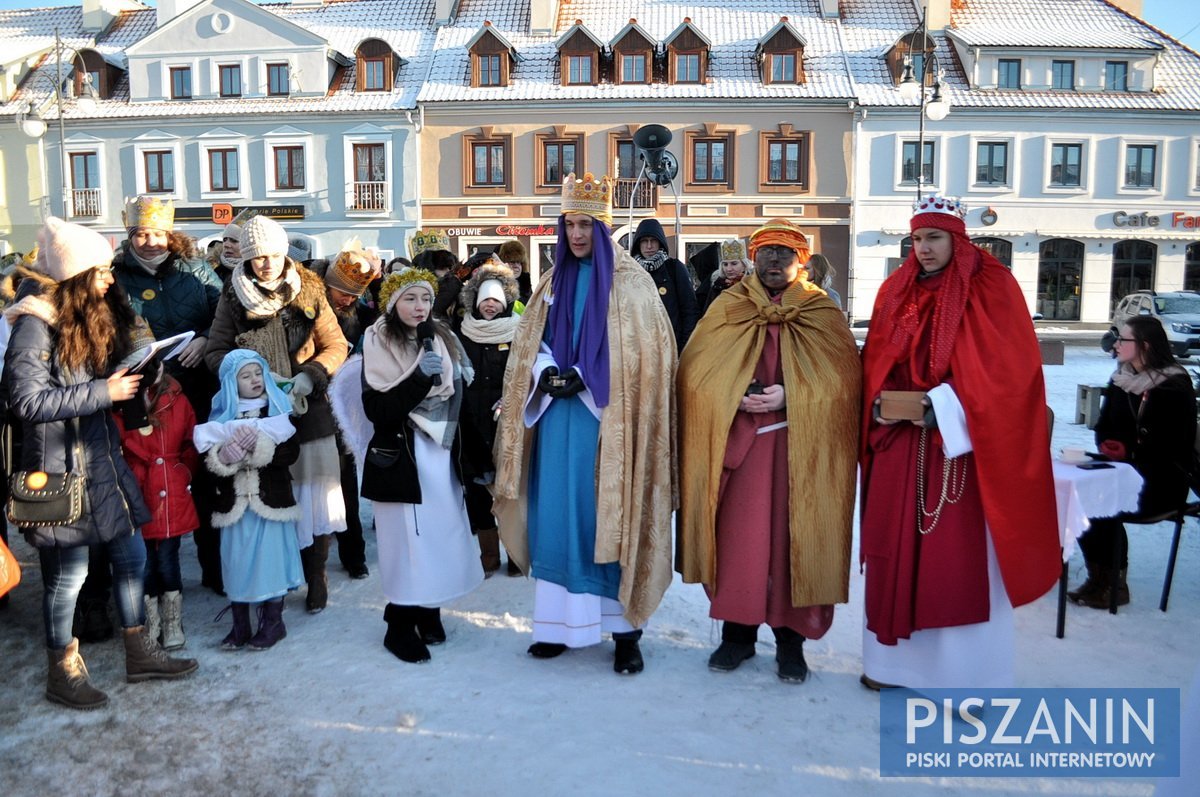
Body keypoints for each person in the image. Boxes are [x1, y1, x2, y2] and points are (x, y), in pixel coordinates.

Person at [859, 196, 1060, 690]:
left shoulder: (989, 285)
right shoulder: (895, 288)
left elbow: (1009, 373)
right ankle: (893, 667)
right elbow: (876, 358)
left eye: (934, 238)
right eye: (916, 239)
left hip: (959, 455)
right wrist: (878, 404)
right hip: (900, 448)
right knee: (893, 548)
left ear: (957, 238)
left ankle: (962, 677)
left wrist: (944, 407)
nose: (923, 249)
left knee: (954, 563)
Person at [2, 217, 197, 710]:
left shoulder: (90, 314)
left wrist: (139, 370)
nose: (110, 277)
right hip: (58, 471)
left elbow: (95, 378)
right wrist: (102, 391)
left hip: (102, 461)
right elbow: (25, 402)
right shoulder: (34, 323)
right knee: (68, 579)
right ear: (74, 275)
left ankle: (140, 652)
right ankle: (61, 671)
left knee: (131, 559)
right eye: (100, 271)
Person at [492, 172, 677, 675]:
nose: (576, 234)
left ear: (603, 228)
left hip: (608, 425)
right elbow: (531, 344)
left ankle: (624, 633)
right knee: (558, 519)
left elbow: (648, 359)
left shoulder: (633, 284)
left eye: (586, 225)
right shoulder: (551, 284)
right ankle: (556, 627)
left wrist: (588, 377)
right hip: (555, 422)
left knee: (606, 519)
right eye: (570, 224)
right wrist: (548, 370)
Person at [677, 218, 860, 683]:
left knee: (790, 544)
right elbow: (695, 373)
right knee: (741, 542)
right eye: (766, 252)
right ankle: (737, 635)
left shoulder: (821, 312)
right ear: (753, 258)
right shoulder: (729, 306)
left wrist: (790, 394)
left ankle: (790, 642)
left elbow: (844, 384)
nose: (774, 261)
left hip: (801, 451)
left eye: (784, 253)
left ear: (802, 261)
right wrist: (731, 391)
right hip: (741, 450)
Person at [205, 215, 350, 615]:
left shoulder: (310, 291)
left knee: (313, 495)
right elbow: (215, 351)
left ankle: (316, 572)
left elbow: (336, 345)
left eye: (273, 255)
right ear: (245, 258)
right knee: (276, 494)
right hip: (258, 412)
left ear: (284, 252)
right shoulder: (232, 296)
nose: (266, 264)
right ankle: (278, 577)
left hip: (308, 408)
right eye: (257, 257)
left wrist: (310, 376)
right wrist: (246, 372)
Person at [360, 269, 484, 663]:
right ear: (393, 302)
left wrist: (479, 457)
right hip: (402, 456)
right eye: (411, 299)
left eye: (426, 299)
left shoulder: (440, 337)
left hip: (439, 451)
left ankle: (429, 609)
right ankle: (398, 624)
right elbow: (378, 409)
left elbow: (455, 401)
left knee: (439, 537)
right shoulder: (378, 339)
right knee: (407, 544)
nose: (420, 307)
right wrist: (418, 381)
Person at [113, 196, 225, 597]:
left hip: (198, 389)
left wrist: (207, 338)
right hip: (146, 395)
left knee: (206, 478)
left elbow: (223, 316)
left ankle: (214, 568)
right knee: (153, 480)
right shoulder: (116, 277)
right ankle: (159, 579)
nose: (150, 241)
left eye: (157, 233)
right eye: (141, 233)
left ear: (170, 235)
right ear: (130, 236)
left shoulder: (198, 271)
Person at [1068, 316, 1197, 609]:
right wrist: (1108, 444)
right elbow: (1104, 426)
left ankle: (1114, 586)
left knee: (1103, 501)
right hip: (1122, 469)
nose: (1116, 345)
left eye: (1123, 340)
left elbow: (1171, 444)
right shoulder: (1121, 379)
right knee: (1080, 496)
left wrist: (1129, 452)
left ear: (1144, 346)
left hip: (1161, 481)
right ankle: (1098, 578)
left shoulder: (1173, 385)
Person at [194, 350, 304, 650]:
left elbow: (290, 452)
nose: (254, 380)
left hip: (271, 503)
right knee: (237, 562)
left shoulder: (276, 411)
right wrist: (223, 457)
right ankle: (240, 624)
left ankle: (273, 622)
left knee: (271, 562)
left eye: (258, 373)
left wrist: (260, 447)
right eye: (246, 376)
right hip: (234, 506)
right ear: (231, 383)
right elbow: (207, 465)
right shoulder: (219, 419)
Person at [113, 353, 200, 651]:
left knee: (168, 561)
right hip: (139, 491)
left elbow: (190, 441)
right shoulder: (121, 404)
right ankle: (150, 622)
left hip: (171, 491)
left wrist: (183, 470)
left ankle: (172, 621)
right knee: (144, 565)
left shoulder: (177, 399)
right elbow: (118, 444)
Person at [311, 239, 380, 580]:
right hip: (313, 402)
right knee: (314, 485)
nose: (348, 300)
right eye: (342, 292)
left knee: (347, 483)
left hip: (346, 407)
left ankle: (354, 555)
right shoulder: (309, 308)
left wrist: (379, 281)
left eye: (354, 295)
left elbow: (382, 315)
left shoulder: (359, 314)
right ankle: (313, 560)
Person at [455, 262, 521, 576]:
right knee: (478, 491)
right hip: (470, 422)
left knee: (510, 490)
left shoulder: (519, 330)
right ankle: (488, 554)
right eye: (484, 299)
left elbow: (526, 373)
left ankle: (515, 553)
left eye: (496, 299)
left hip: (506, 423)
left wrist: (512, 399)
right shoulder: (462, 332)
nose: (490, 305)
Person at [630, 218, 699, 351]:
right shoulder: (631, 271)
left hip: (671, 348)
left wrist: (683, 348)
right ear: (638, 244)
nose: (649, 246)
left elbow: (690, 310)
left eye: (653, 240)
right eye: (644, 241)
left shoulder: (674, 268)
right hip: (640, 350)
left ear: (660, 242)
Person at [409, 229, 463, 323]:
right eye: (442, 267)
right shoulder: (412, 289)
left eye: (449, 268)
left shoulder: (456, 287)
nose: (447, 272)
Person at [697, 239, 752, 314]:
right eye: (725, 264)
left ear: (744, 265)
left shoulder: (754, 285)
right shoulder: (717, 286)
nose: (729, 269)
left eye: (734, 263)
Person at [497, 239, 533, 306]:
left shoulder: (526, 285)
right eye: (512, 262)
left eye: (519, 262)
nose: (516, 266)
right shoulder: (496, 285)